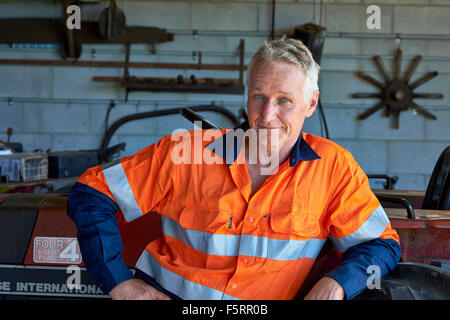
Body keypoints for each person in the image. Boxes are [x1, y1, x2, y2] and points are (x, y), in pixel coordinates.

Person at [67, 37, 401, 300]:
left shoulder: (333, 169)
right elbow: (91, 192)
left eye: (284, 100)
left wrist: (337, 283)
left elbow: (381, 244)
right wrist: (117, 282)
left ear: (311, 103)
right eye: (258, 96)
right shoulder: (188, 153)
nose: (266, 114)